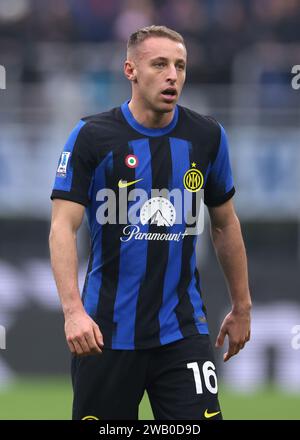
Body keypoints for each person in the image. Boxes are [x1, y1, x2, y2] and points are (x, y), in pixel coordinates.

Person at [49, 25, 251, 420]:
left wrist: (242, 306)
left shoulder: (207, 136)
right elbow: (62, 227)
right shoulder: (91, 136)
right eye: (159, 64)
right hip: (105, 332)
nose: (172, 75)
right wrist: (73, 311)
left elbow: (225, 224)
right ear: (131, 70)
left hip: (182, 330)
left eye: (180, 65)